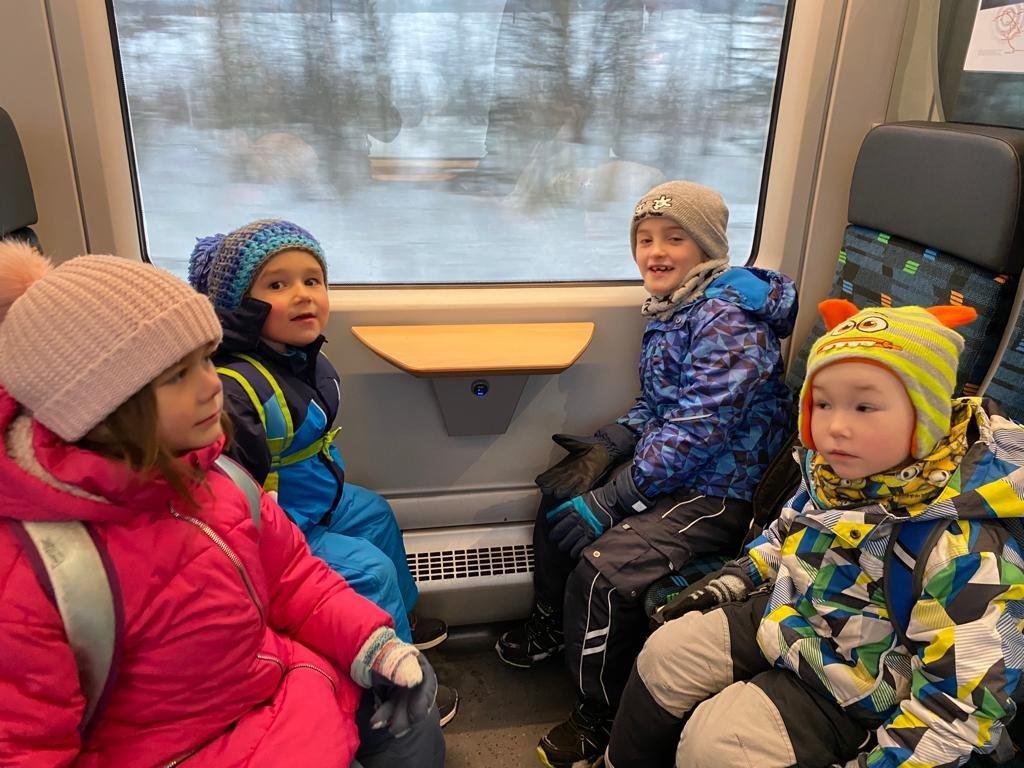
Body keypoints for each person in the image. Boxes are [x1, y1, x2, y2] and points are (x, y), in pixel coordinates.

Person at [0, 240, 445, 767]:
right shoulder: (37, 576)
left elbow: (294, 580)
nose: (212, 386)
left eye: (205, 361)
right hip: (194, 745)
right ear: (99, 406)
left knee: (414, 707)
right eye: (177, 375)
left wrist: (375, 647)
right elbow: (26, 746)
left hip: (281, 690)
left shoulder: (220, 480)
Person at [603, 299, 1024, 768]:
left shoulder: (965, 552)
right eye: (823, 403)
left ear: (926, 416)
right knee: (667, 653)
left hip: (869, 680)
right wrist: (738, 576)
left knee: (719, 744)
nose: (836, 426)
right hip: (799, 611)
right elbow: (788, 531)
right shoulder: (836, 474)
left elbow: (957, 710)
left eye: (865, 406)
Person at [494, 180, 798, 767]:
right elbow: (661, 406)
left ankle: (600, 715)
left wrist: (620, 494)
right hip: (682, 468)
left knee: (604, 574)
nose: (655, 252)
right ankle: (553, 626)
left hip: (724, 490)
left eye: (674, 238)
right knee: (561, 493)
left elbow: (700, 426)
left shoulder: (727, 320)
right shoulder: (675, 307)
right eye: (645, 239)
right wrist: (611, 442)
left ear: (706, 248)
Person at [186, 219, 458, 725]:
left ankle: (401, 621)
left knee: (375, 513)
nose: (302, 294)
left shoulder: (298, 358)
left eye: (313, 280)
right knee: (370, 571)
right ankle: (398, 690)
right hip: (280, 527)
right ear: (242, 307)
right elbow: (233, 503)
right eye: (277, 284)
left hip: (316, 501)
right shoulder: (237, 391)